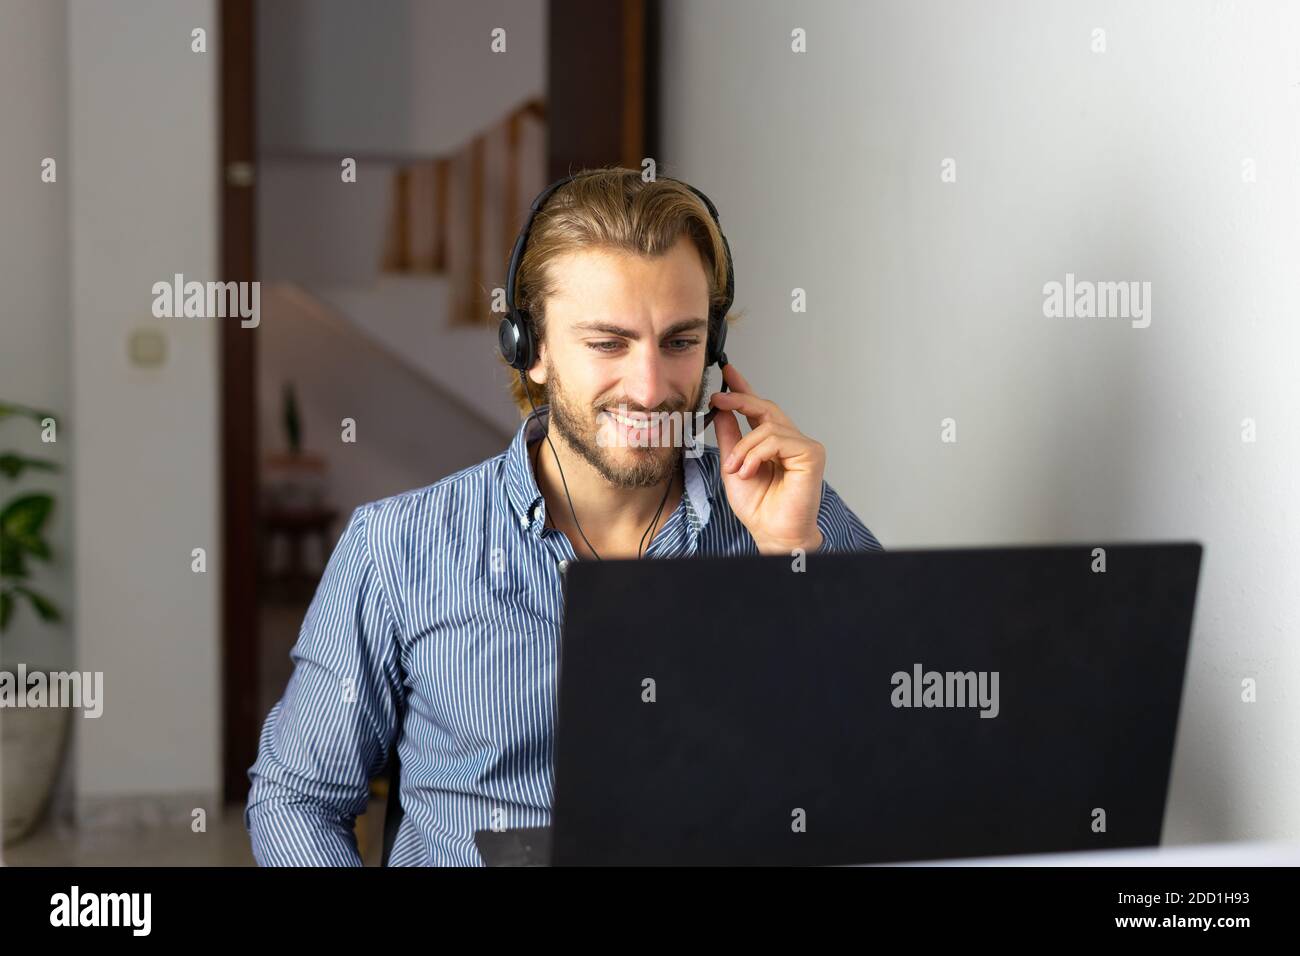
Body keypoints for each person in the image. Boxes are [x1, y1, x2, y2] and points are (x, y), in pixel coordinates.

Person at [245, 167, 883, 865]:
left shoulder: (796, 518)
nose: (649, 390)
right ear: (532, 348)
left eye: (680, 342)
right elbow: (297, 799)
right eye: (609, 343)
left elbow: (903, 759)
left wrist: (792, 554)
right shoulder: (397, 549)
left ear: (716, 349)